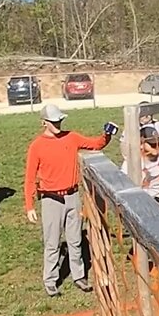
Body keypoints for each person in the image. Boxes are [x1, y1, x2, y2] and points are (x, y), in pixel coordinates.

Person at [24, 103, 116, 297]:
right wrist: (29, 205)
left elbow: (95, 144)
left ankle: (79, 276)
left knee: (75, 240)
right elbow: (30, 177)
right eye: (53, 121)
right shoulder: (37, 146)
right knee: (52, 242)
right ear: (44, 122)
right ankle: (50, 280)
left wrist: (106, 135)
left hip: (72, 196)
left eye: (59, 120)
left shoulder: (71, 137)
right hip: (51, 200)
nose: (57, 123)